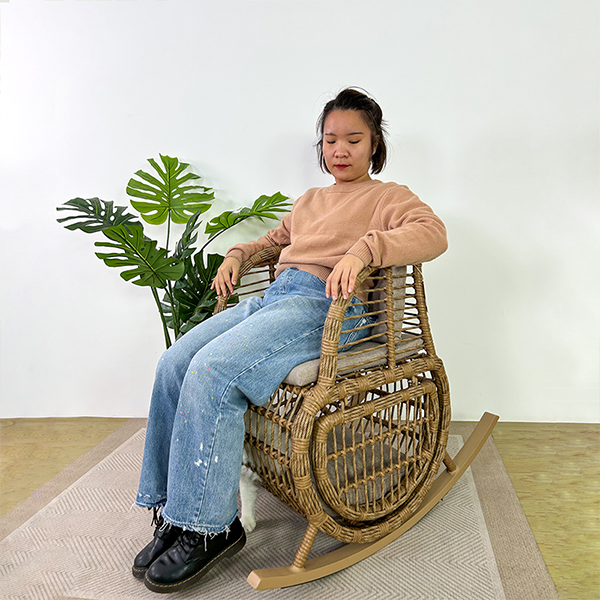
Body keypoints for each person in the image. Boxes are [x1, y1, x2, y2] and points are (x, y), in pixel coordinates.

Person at [132, 87, 448, 593]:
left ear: (374, 145)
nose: (340, 150)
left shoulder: (388, 197)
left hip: (328, 307)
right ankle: (175, 511)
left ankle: (210, 527)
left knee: (214, 371)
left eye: (354, 140)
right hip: (276, 298)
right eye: (330, 140)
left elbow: (433, 233)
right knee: (174, 362)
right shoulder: (310, 201)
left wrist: (365, 250)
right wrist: (238, 254)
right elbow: (271, 242)